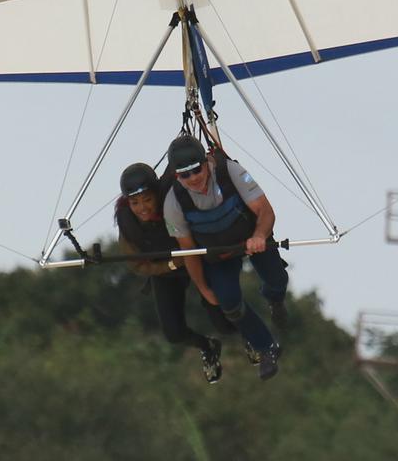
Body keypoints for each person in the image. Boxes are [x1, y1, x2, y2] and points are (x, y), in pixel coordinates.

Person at [163, 135, 288, 381]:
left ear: (207, 162)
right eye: (184, 175)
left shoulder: (231, 171)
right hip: (219, 253)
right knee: (228, 303)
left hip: (251, 239)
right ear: (177, 177)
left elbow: (265, 210)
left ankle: (274, 298)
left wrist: (260, 235)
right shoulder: (173, 202)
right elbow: (189, 253)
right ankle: (266, 348)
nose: (193, 179)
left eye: (196, 170)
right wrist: (203, 288)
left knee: (277, 280)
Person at [115, 162, 237, 384]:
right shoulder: (127, 221)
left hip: (197, 263)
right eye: (135, 202)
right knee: (174, 333)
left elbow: (186, 168)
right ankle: (207, 347)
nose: (142, 207)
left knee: (223, 320)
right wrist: (171, 265)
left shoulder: (173, 199)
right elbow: (136, 264)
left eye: (148, 200)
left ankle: (251, 336)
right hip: (166, 271)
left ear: (157, 195)